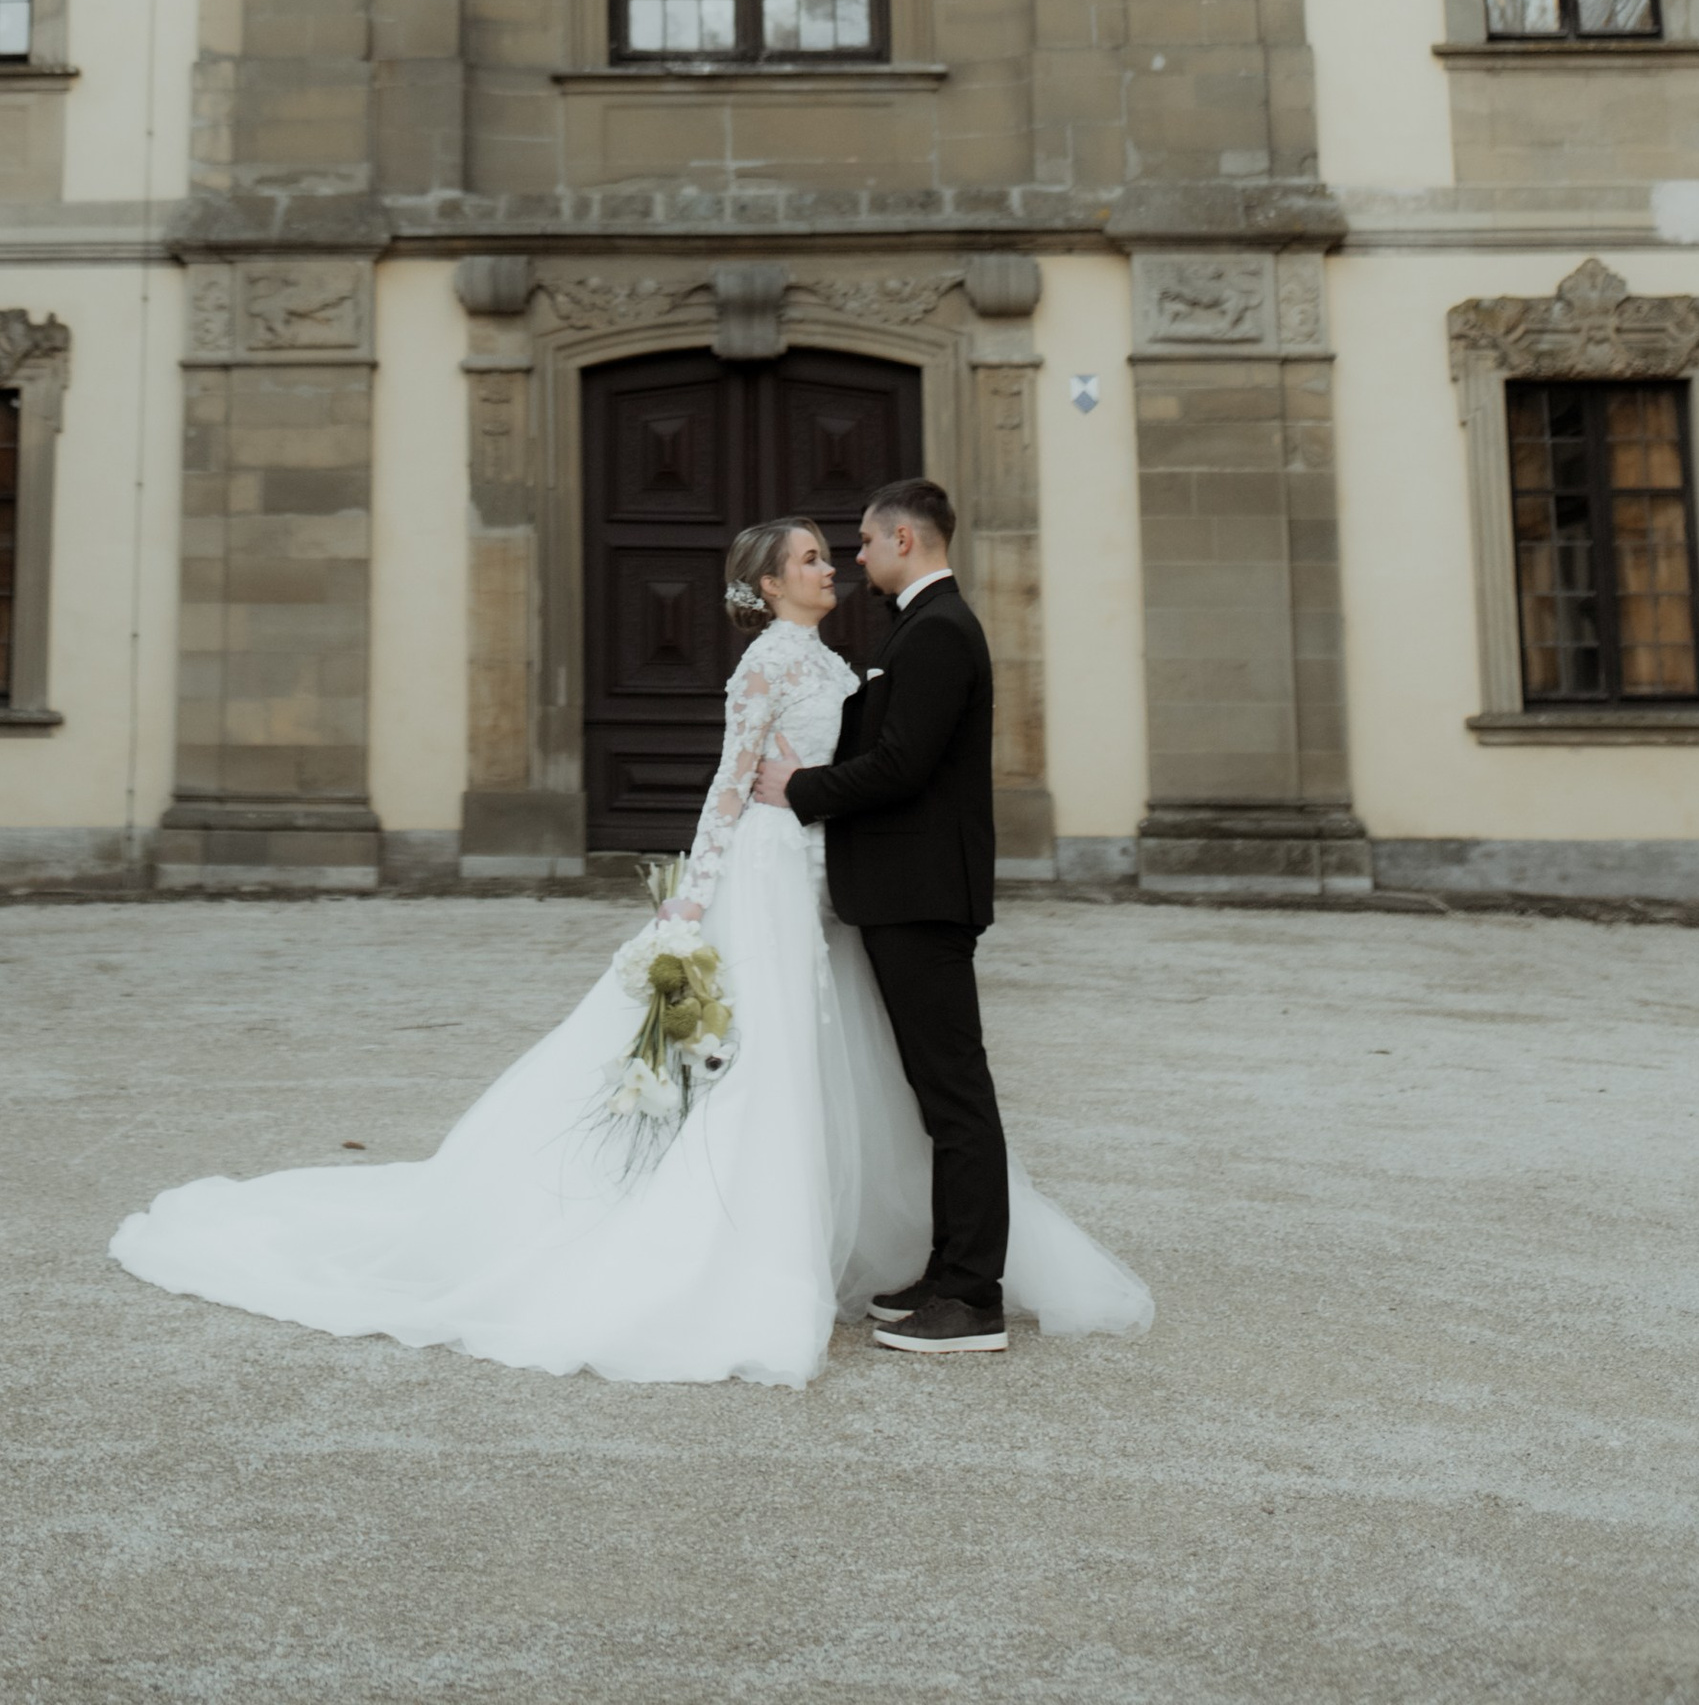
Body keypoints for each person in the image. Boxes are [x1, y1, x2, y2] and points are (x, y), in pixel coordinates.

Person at [109, 503, 1149, 1388]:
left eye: (838, 553)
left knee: (833, 1055)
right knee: (764, 1058)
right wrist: (689, 907)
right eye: (810, 560)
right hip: (764, 872)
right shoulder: (766, 665)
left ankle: (898, 1257)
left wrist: (817, 806)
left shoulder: (838, 655)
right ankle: (749, 1248)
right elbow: (729, 785)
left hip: (824, 875)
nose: (832, 565)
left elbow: (875, 762)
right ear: (766, 585)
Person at [755, 473, 1012, 1354]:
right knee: (937, 1097)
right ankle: (950, 1269)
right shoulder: (923, 627)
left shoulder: (939, 631)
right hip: (906, 891)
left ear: (905, 540)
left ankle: (974, 1298)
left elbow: (903, 767)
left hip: (924, 895)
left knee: (956, 1095)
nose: (854, 559)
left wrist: (800, 790)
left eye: (863, 543)